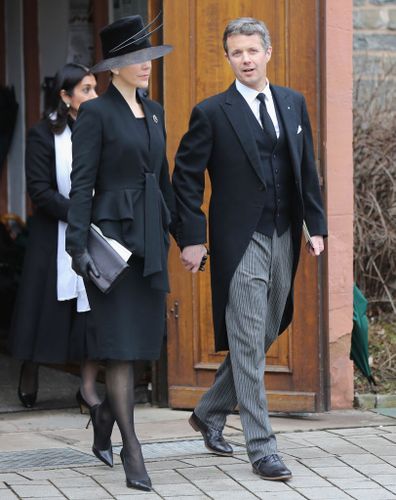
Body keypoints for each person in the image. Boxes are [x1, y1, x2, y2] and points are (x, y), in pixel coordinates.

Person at [172, 17, 327, 481]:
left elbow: (307, 170)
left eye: (252, 51)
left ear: (268, 52)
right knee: (246, 338)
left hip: (283, 233)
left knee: (265, 330)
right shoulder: (212, 112)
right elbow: (184, 177)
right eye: (236, 52)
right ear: (228, 58)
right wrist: (193, 236)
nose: (245, 59)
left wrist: (314, 225)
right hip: (240, 240)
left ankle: (207, 412)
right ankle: (262, 448)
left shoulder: (293, 104)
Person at [65, 15, 174, 492]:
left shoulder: (156, 112)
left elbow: (164, 179)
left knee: (142, 347)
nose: (145, 65)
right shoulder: (95, 113)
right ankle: (133, 449)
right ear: (114, 66)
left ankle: (106, 411)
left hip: (150, 238)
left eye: (148, 56)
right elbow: (81, 184)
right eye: (135, 58)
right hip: (111, 245)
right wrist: (75, 248)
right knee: (120, 350)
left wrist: (183, 233)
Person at [9, 63, 101, 411]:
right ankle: (30, 370)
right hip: (53, 238)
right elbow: (39, 191)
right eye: (86, 90)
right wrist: (78, 214)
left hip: (93, 233)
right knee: (42, 314)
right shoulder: (42, 134)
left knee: (89, 315)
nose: (94, 96)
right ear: (65, 96)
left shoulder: (98, 129)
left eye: (95, 88)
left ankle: (87, 388)